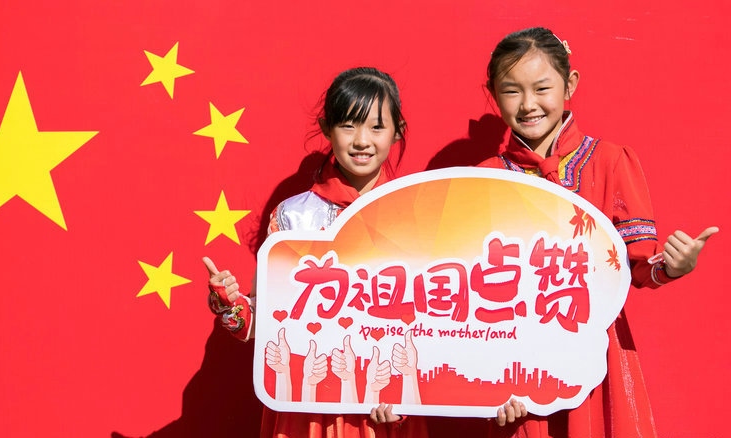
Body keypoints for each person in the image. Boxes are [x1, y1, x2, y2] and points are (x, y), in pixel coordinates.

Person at [203, 67, 527, 438]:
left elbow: (442, 325)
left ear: (397, 131)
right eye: (348, 126)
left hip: (389, 409)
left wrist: (468, 387)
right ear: (326, 129)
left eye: (376, 127)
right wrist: (229, 303)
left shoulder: (417, 216)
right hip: (309, 410)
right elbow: (264, 328)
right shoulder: (293, 217)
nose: (362, 141)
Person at [478, 27, 718, 437]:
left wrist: (673, 266)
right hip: (517, 354)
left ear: (570, 84)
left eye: (542, 88)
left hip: (595, 350)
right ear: (493, 94)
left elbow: (637, 268)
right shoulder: (484, 179)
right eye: (512, 91)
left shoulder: (609, 162)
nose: (529, 104)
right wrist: (485, 377)